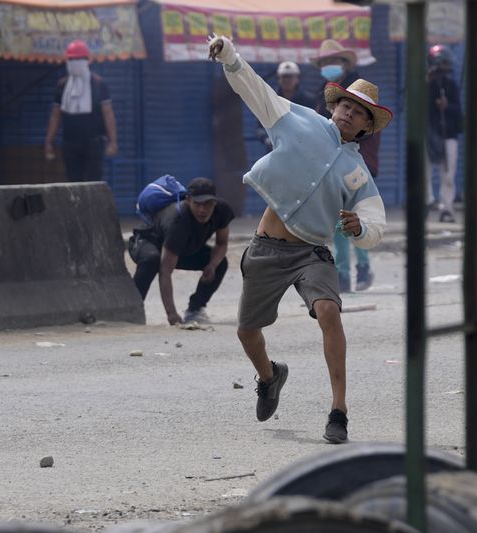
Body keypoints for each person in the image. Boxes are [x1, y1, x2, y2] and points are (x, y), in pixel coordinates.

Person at [209, 34, 392, 443]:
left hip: (312, 253)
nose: (348, 113)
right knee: (246, 332)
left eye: (358, 112)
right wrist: (230, 57)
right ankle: (269, 376)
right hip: (266, 248)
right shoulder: (298, 120)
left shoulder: (358, 172)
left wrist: (361, 228)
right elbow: (256, 90)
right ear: (334, 106)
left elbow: (375, 221)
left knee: (329, 311)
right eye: (344, 104)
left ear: (366, 125)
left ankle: (339, 411)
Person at [311, 39, 381, 292]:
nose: (329, 66)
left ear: (344, 63)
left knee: (351, 219)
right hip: (330, 165)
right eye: (325, 62)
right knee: (342, 220)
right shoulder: (324, 94)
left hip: (357, 165)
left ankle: (350, 273)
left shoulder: (361, 93)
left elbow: (363, 137)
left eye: (333, 61)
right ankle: (351, 274)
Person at [129, 177, 233, 324]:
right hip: (147, 242)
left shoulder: (222, 211)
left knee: (221, 263)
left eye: (208, 204)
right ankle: (132, 310)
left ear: (215, 202)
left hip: (182, 248)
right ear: (188, 200)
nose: (202, 210)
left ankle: (195, 310)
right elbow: (165, 271)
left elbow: (221, 243)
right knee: (152, 260)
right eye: (197, 204)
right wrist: (171, 314)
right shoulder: (178, 221)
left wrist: (213, 265)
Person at [44, 40, 118, 182]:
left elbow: (108, 113)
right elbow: (55, 115)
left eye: (79, 59)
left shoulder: (98, 83)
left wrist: (113, 141)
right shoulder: (62, 85)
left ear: (87, 60)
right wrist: (49, 141)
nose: (75, 62)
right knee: (73, 182)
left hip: (94, 142)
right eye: (72, 59)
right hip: (70, 142)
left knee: (94, 181)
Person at [427, 44, 463, 223]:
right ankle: (427, 203)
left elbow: (458, 111)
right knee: (424, 172)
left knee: (448, 173)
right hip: (429, 133)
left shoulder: (451, 85)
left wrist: (446, 106)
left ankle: (447, 207)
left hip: (448, 134)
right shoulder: (425, 83)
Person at [256, 61, 315, 150]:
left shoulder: (309, 100)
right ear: (279, 79)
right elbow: (259, 128)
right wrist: (268, 140)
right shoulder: (270, 100)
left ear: (297, 78)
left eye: (290, 76)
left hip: (302, 149)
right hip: (276, 149)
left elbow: (313, 125)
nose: (287, 80)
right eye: (284, 77)